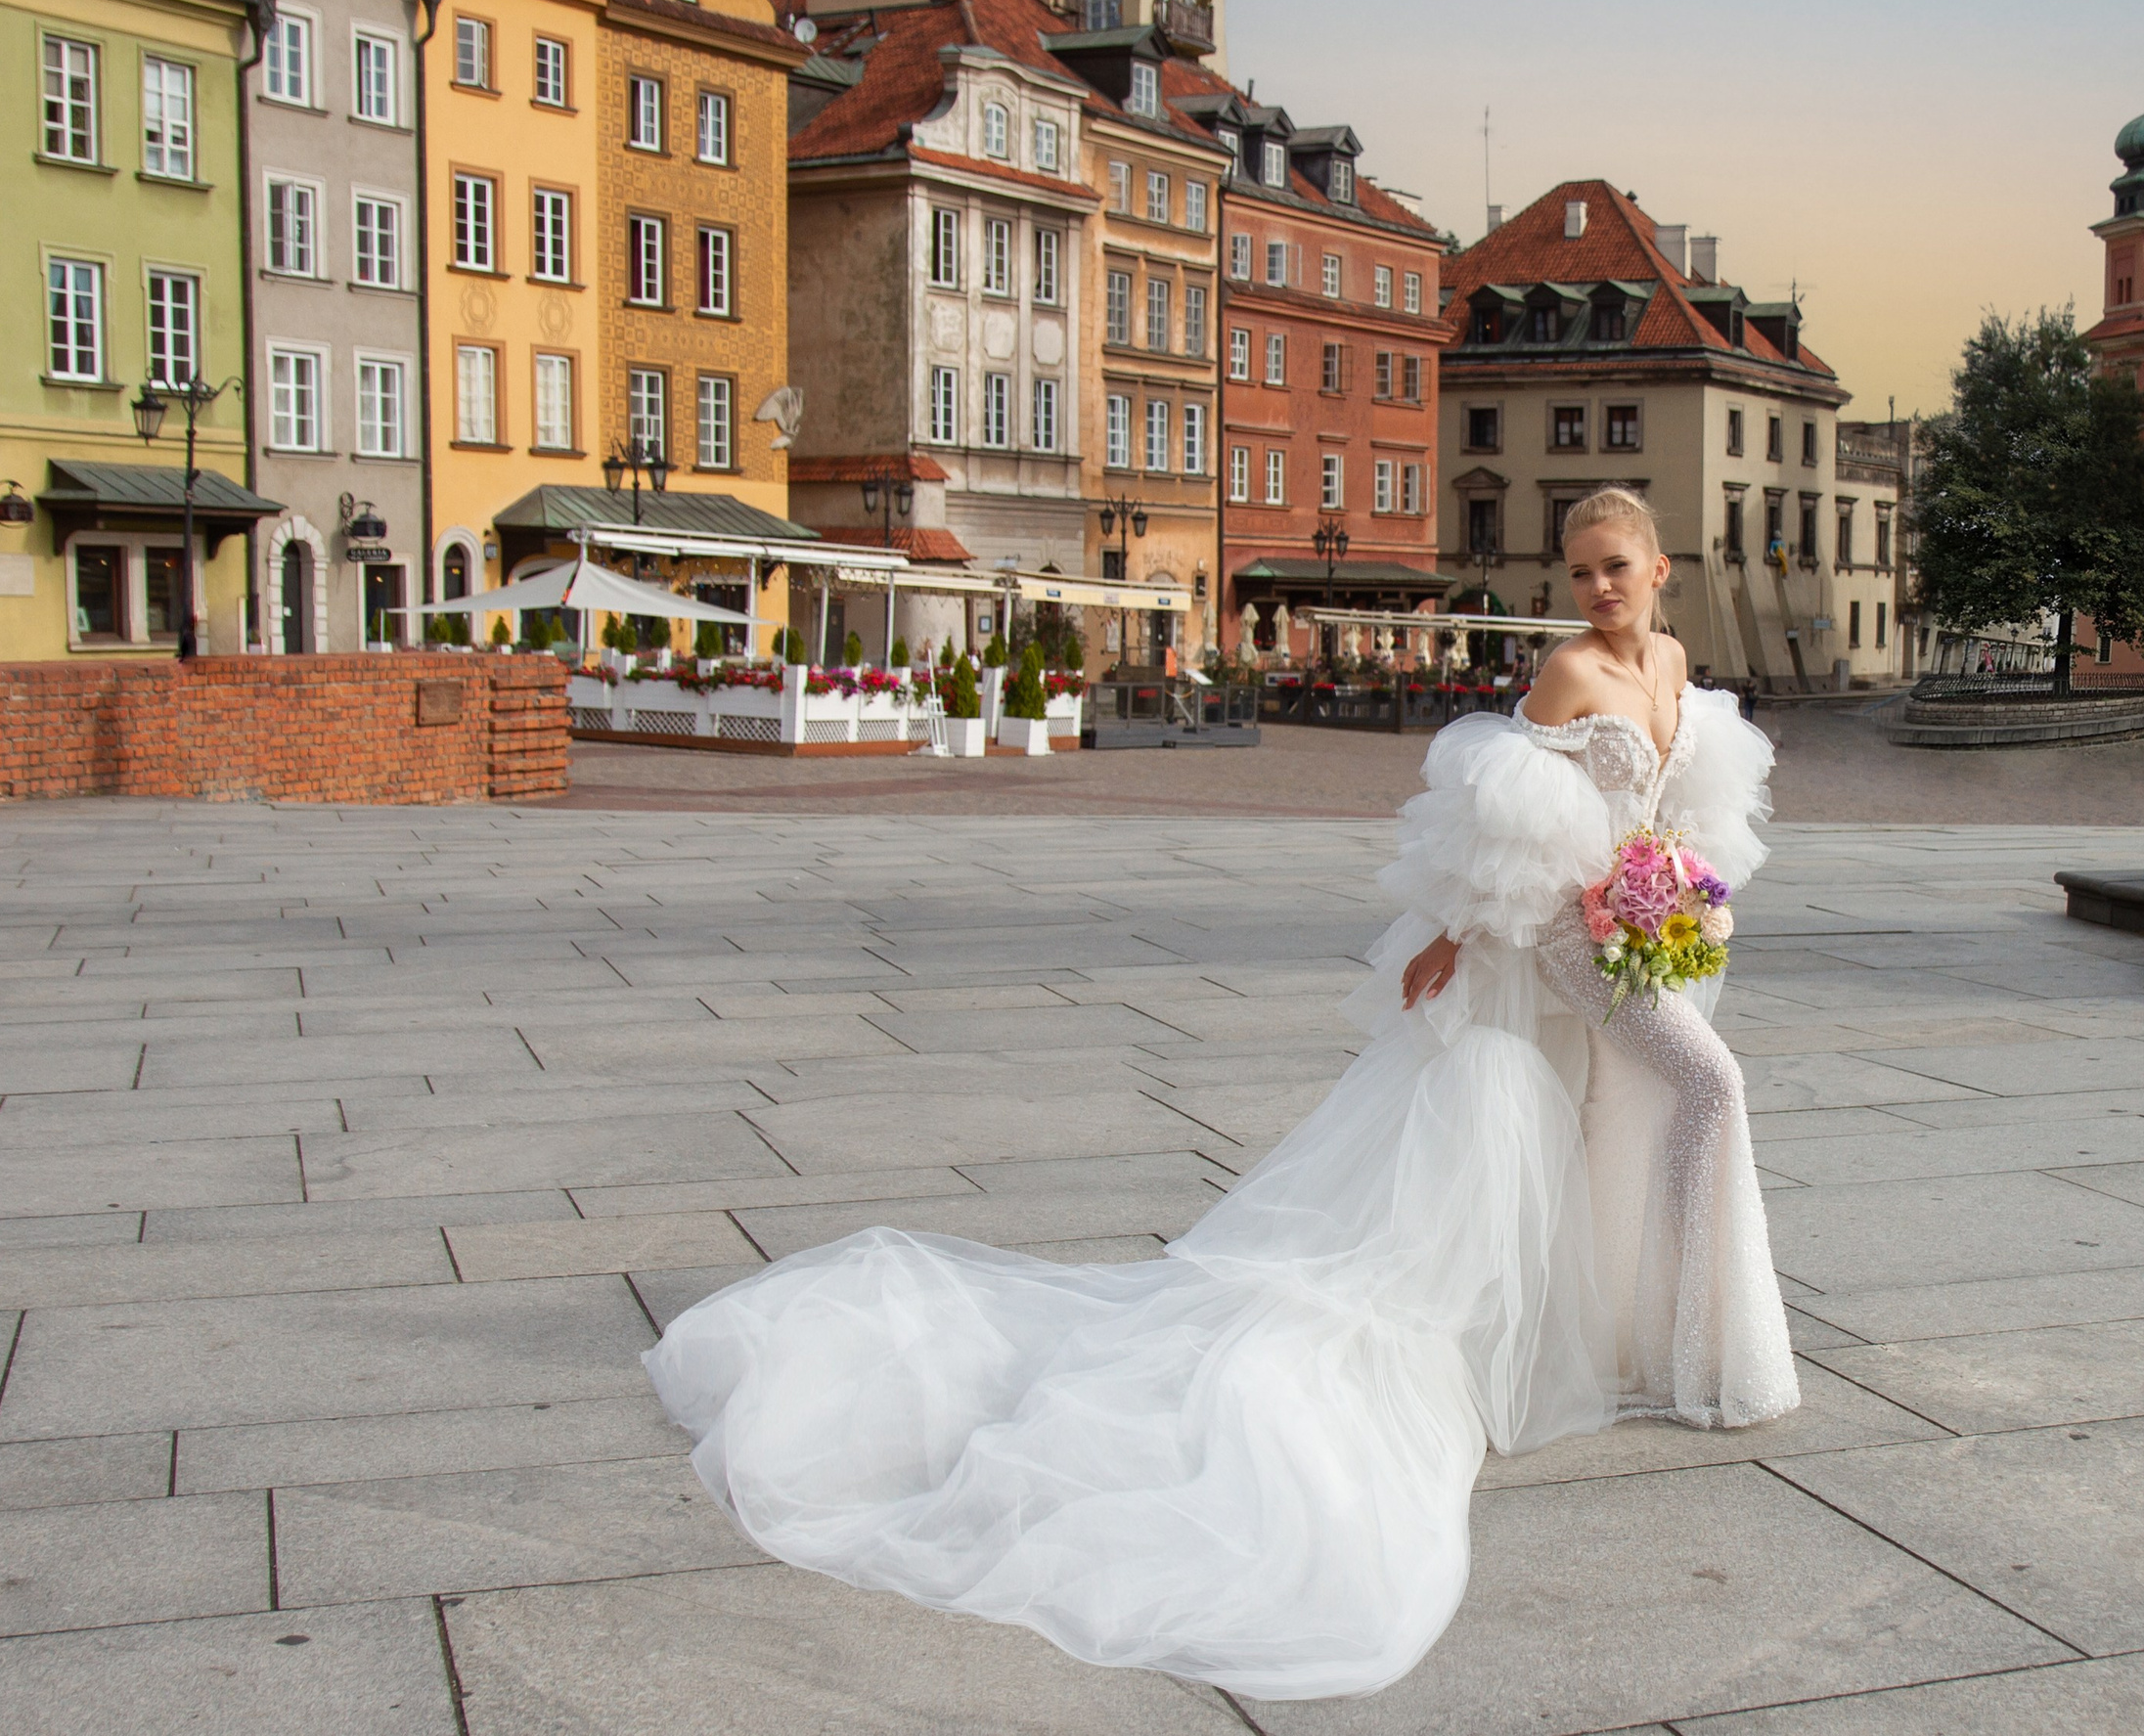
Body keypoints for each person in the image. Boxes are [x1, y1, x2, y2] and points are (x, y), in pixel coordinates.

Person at [643, 486, 1794, 1702]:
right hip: (1558, 931)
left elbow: (1668, 809)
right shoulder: (1563, 676)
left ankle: (1634, 1328)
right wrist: (1453, 934)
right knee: (1708, 1083)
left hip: (1631, 926)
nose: (1596, 589)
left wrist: (1673, 892)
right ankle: (1703, 1348)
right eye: (1578, 572)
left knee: (1618, 1113)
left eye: (1613, 568)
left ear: (1660, 568)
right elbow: (1504, 821)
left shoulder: (1671, 660)